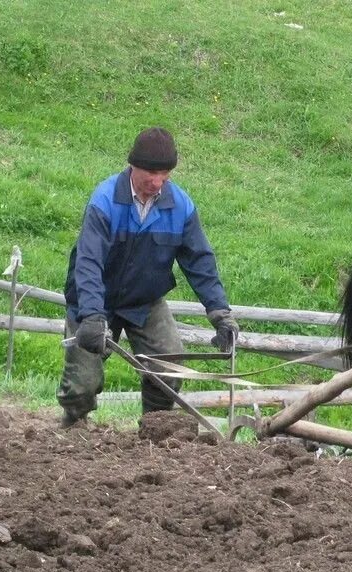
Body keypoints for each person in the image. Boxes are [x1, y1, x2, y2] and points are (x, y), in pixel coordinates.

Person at [57, 126, 239, 427]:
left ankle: (154, 428)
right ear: (133, 167)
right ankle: (74, 426)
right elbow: (88, 262)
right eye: (149, 175)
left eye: (164, 176)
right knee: (83, 382)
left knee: (169, 366)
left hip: (145, 301)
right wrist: (90, 315)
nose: (156, 183)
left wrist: (220, 313)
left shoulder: (180, 207)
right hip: (95, 299)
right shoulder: (104, 201)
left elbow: (199, 261)